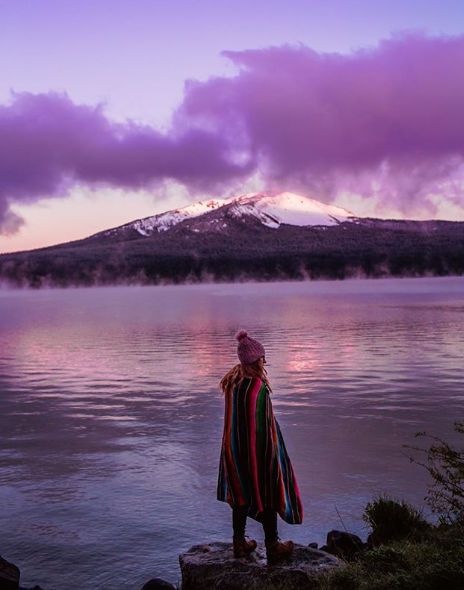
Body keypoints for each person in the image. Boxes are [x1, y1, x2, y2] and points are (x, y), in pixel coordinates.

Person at [217, 329, 303, 564]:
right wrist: (273, 455)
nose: (265, 362)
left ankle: (238, 542)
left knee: (241, 493)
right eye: (263, 358)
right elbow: (263, 426)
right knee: (267, 491)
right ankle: (273, 545)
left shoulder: (233, 384)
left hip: (234, 451)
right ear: (256, 360)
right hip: (258, 451)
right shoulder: (258, 388)